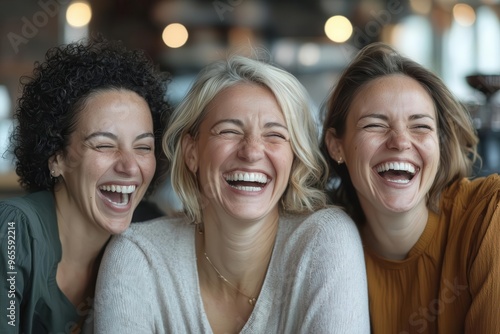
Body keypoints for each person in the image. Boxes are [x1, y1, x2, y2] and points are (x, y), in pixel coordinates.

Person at [94, 54, 370, 333]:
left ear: (294, 158)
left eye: (274, 135)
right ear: (192, 153)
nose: (251, 151)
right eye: (228, 131)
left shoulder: (323, 241)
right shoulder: (139, 257)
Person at [321, 42, 500, 333]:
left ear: (440, 144)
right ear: (336, 145)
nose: (401, 142)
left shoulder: (489, 214)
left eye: (421, 126)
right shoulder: (323, 250)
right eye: (374, 125)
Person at [0, 35, 170, 333]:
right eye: (104, 145)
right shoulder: (14, 230)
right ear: (56, 157)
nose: (130, 166)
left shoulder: (148, 235)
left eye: (143, 147)